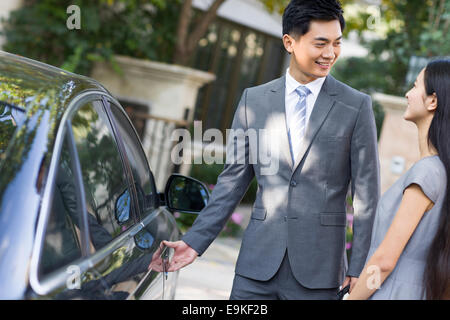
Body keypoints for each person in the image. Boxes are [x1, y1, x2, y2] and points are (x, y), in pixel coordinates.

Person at [150, 0, 380, 299]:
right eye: (320, 43)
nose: (330, 54)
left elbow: (367, 196)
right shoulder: (253, 101)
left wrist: (359, 267)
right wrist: (194, 241)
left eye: (337, 43)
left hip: (320, 271)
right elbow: (232, 182)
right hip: (256, 269)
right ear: (289, 42)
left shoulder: (356, 106)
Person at [347, 59, 450, 300]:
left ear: (432, 101)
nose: (407, 94)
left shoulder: (426, 172)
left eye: (415, 86)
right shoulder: (440, 171)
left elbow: (384, 261)